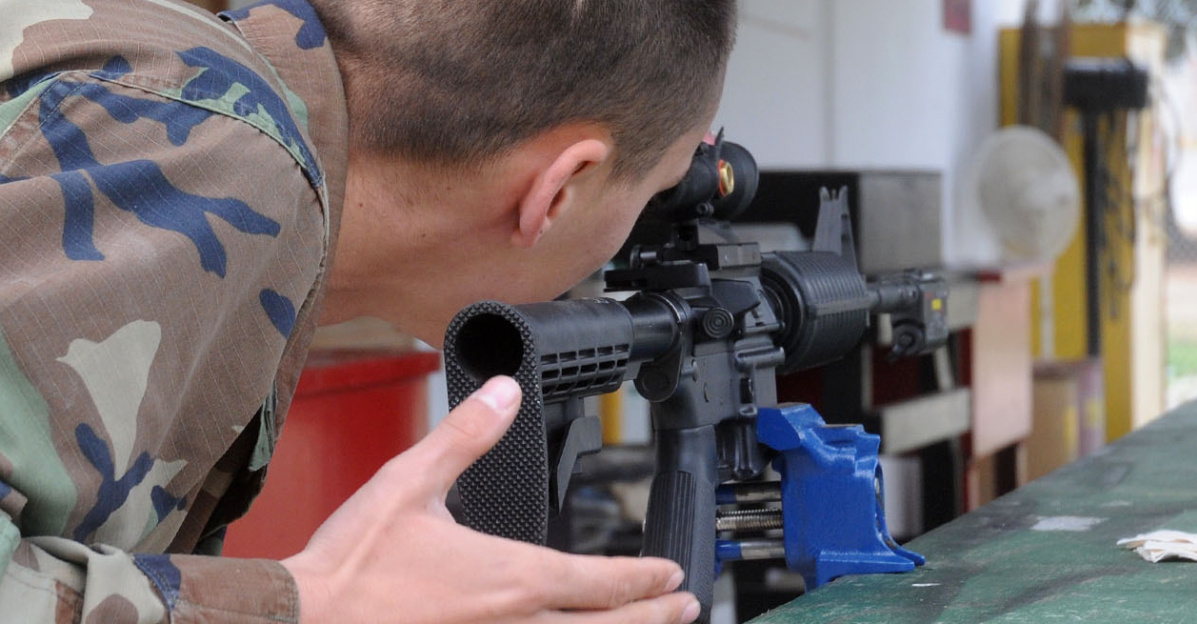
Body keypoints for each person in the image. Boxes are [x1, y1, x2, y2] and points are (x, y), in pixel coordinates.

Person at [0, 0, 735, 621]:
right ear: (558, 190)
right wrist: (320, 601)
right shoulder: (212, 146)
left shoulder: (196, 100)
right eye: (657, 188)